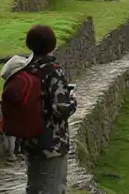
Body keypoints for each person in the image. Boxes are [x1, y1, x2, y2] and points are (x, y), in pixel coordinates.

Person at [21, 25, 77, 194]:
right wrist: (73, 100)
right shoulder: (52, 71)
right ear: (51, 45)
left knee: (34, 187)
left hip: (30, 139)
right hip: (52, 142)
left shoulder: (25, 69)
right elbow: (60, 108)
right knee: (53, 188)